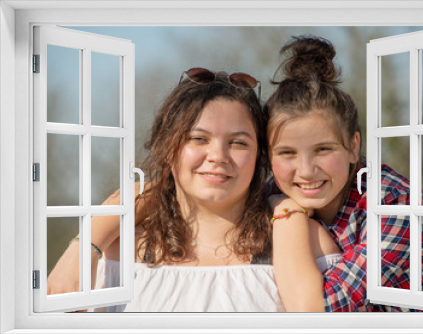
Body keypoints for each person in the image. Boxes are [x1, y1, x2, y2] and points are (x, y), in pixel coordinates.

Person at [47, 67, 337, 312]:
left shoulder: (307, 243)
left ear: (261, 155)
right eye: (198, 139)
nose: (218, 156)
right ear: (168, 147)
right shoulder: (115, 249)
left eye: (238, 143)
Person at [265, 36, 423, 312]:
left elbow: (319, 313)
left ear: (354, 147)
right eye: (287, 153)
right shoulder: (273, 190)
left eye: (323, 149)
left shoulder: (396, 206)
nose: (305, 171)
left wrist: (286, 213)